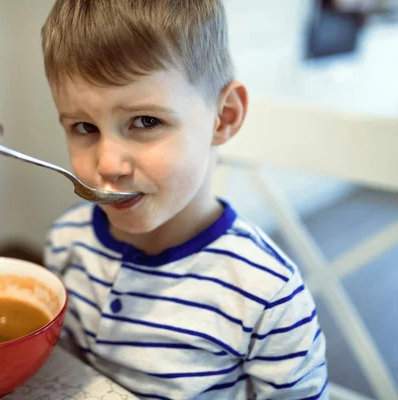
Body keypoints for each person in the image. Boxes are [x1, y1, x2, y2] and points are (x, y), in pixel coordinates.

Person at [42, 1, 328, 399]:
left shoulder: (267, 293)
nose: (107, 165)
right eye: (84, 127)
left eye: (145, 122)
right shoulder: (66, 240)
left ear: (223, 117)